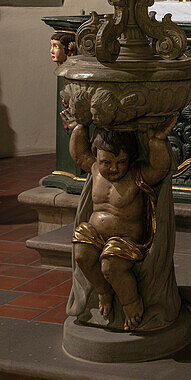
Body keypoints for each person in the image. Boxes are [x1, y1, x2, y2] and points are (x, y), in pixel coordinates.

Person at [66, 116, 177, 330]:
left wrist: (157, 141)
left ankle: (131, 302)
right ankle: (103, 290)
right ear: (97, 156)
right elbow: (79, 155)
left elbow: (159, 169)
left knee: (111, 266)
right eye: (106, 162)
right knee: (81, 254)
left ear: (130, 160)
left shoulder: (136, 176)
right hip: (95, 233)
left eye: (121, 162)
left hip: (125, 240)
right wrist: (80, 126)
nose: (114, 168)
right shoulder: (96, 171)